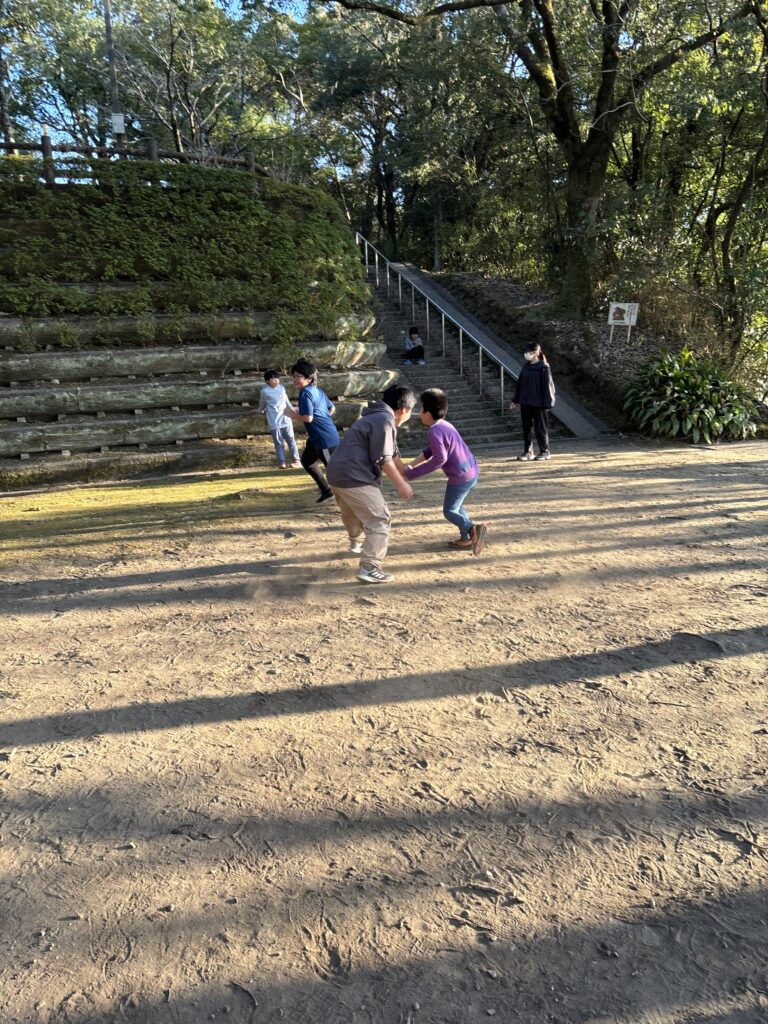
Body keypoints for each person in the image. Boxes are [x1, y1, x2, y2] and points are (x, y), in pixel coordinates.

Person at [326, 384, 415, 584]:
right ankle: (370, 567)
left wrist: (406, 471)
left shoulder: (375, 417)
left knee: (352, 512)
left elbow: (393, 454)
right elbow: (384, 458)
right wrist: (401, 484)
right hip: (355, 476)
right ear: (404, 410)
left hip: (337, 474)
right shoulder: (385, 420)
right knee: (379, 519)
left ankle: (354, 541)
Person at [403, 388, 487, 556]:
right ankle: (466, 538)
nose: (419, 413)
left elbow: (439, 458)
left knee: (449, 511)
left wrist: (412, 473)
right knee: (457, 506)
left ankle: (472, 530)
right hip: (471, 471)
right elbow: (430, 451)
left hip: (460, 477)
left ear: (428, 414)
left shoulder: (434, 431)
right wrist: (412, 464)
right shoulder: (445, 425)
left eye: (421, 409)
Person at [283, 358, 339, 503]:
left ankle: (349, 501)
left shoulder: (305, 393)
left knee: (334, 473)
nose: (295, 379)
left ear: (309, 378)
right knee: (307, 461)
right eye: (293, 376)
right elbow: (331, 408)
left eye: (298, 376)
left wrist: (289, 413)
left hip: (324, 440)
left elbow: (308, 418)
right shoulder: (316, 390)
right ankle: (327, 492)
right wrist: (301, 411)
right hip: (318, 437)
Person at [509, 342, 556, 461]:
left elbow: (548, 386)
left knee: (540, 428)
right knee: (526, 428)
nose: (526, 354)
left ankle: (544, 451)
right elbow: (520, 384)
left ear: (535, 352)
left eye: (528, 351)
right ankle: (528, 451)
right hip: (525, 402)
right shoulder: (526, 367)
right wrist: (514, 400)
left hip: (539, 404)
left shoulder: (544, 367)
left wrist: (547, 403)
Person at [258, 369, 301, 469]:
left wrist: (291, 407)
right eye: (273, 379)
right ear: (267, 381)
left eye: (277, 378)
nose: (276, 380)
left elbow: (286, 400)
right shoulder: (264, 391)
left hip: (286, 419)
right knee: (278, 443)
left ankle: (297, 460)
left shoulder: (281, 388)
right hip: (274, 421)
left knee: (291, 441)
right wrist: (260, 410)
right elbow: (262, 403)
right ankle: (282, 462)